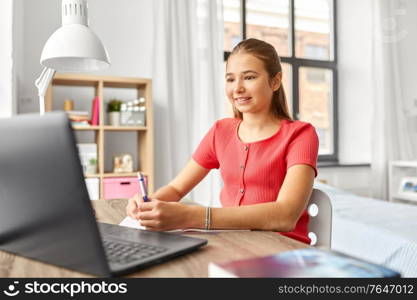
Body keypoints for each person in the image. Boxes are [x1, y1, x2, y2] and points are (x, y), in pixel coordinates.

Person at [126, 38, 318, 244]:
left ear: (275, 81)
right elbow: (176, 189)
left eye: (249, 77)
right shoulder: (221, 131)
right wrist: (147, 205)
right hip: (232, 244)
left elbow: (285, 216)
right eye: (230, 79)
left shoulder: (301, 135)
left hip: (282, 251)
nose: (238, 88)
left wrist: (191, 216)